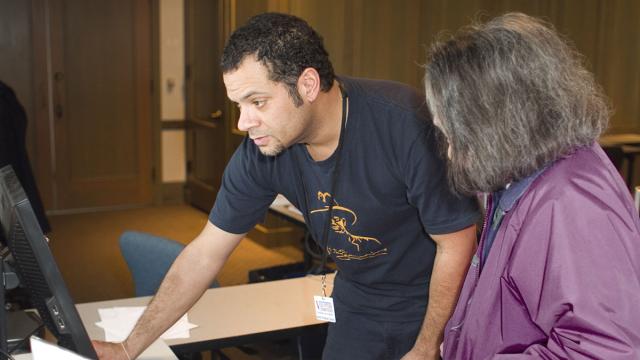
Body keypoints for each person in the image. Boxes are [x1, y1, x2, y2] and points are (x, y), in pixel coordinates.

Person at [94, 13, 479, 360]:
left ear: (308, 84)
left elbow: (457, 241)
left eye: (257, 102)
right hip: (357, 298)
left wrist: (428, 345)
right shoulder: (261, 151)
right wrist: (127, 349)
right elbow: (204, 255)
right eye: (238, 105)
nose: (244, 122)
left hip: (436, 300)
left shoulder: (404, 123)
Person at [423, 13, 640, 359]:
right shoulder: (520, 171)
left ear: (493, 125)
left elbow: (604, 351)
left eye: (453, 135)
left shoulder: (572, 204)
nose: (449, 151)